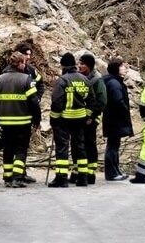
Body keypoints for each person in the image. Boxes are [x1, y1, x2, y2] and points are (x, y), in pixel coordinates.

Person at [0, 51, 41, 188]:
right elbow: (34, 102)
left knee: (8, 149)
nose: (25, 65)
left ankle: (8, 176)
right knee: (21, 150)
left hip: (5, 123)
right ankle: (17, 177)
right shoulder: (26, 80)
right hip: (23, 122)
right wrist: (37, 120)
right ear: (21, 63)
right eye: (24, 62)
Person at [48, 52, 91, 188]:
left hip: (64, 120)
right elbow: (92, 100)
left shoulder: (63, 80)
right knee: (80, 147)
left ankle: (62, 178)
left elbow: (56, 101)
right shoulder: (84, 79)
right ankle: (83, 177)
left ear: (63, 65)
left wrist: (54, 118)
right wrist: (87, 116)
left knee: (62, 147)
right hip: (80, 119)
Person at [13, 41, 42, 183]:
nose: (28, 57)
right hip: (15, 111)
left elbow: (40, 84)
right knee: (17, 147)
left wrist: (37, 99)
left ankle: (20, 173)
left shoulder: (31, 71)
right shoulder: (10, 72)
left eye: (30, 55)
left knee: (23, 146)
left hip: (27, 112)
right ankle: (16, 175)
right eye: (26, 54)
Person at [102, 56, 133, 181]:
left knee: (114, 145)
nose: (125, 68)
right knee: (112, 146)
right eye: (122, 66)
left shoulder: (114, 81)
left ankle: (116, 170)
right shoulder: (114, 83)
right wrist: (125, 110)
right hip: (115, 120)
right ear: (116, 68)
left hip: (113, 119)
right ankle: (111, 173)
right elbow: (118, 101)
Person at [77, 53, 106, 184]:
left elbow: (102, 101)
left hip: (91, 120)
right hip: (81, 118)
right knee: (80, 145)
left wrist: (92, 116)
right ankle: (79, 172)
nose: (79, 66)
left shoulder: (97, 80)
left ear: (89, 66)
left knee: (90, 145)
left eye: (82, 64)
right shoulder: (81, 77)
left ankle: (91, 173)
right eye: (79, 63)